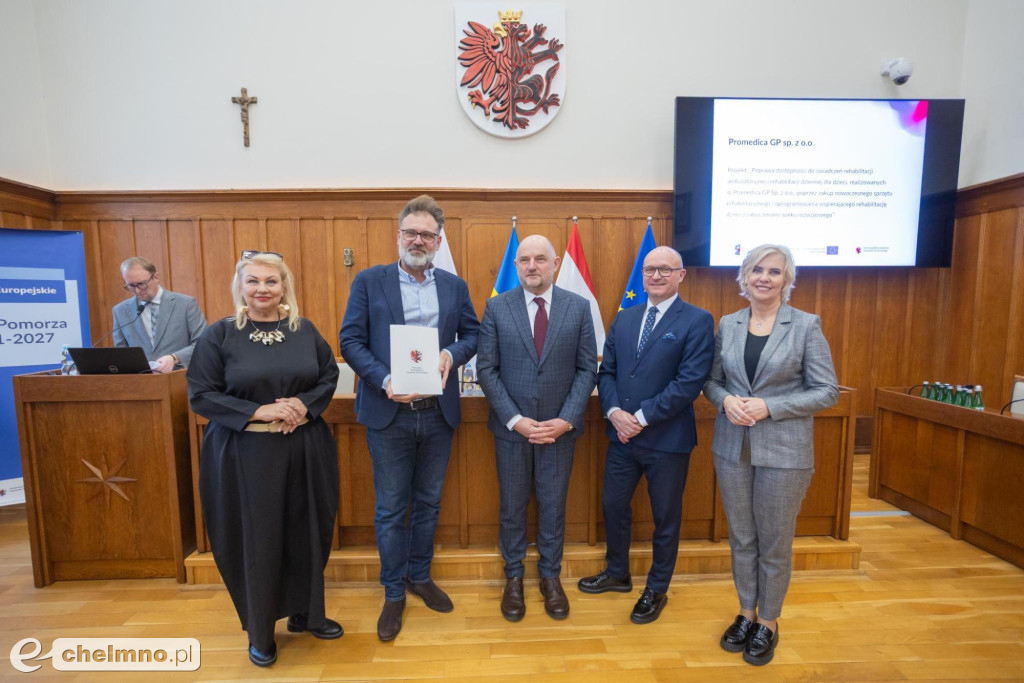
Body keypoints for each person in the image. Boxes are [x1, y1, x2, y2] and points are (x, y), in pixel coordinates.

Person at [187, 251, 341, 667]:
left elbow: (328, 376)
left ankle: (307, 613)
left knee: (308, 531)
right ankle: (260, 631)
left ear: (284, 286)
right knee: (259, 540)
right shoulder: (220, 335)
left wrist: (301, 405)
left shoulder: (304, 330)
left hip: (305, 446)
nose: (262, 289)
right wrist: (260, 410)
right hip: (245, 455)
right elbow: (201, 393)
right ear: (240, 287)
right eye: (253, 281)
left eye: (271, 281)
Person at [339, 194, 479, 642]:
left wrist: (450, 353)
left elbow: (473, 334)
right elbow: (350, 341)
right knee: (390, 508)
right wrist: (384, 380)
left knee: (430, 503)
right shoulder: (369, 281)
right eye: (411, 233)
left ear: (438, 241)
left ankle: (419, 576)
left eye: (427, 235)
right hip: (390, 414)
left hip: (437, 413)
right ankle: (393, 590)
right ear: (398, 235)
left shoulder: (454, 285)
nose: (418, 240)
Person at [703, 244, 838, 666]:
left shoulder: (806, 325)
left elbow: (827, 391)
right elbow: (711, 381)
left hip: (784, 451)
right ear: (744, 276)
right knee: (742, 537)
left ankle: (769, 621)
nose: (764, 277)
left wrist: (771, 406)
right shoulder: (728, 323)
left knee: (774, 542)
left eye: (774, 272)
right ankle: (746, 612)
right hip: (732, 448)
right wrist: (725, 400)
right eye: (757, 270)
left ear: (786, 279)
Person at [578, 246, 714, 624]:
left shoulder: (697, 320)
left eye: (665, 270)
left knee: (665, 517)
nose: (656, 276)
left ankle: (656, 588)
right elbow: (607, 372)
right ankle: (617, 573)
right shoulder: (625, 318)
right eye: (650, 269)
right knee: (613, 506)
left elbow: (689, 383)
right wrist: (614, 413)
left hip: (667, 441)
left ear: (681, 275)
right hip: (622, 438)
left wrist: (638, 418)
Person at [477, 235, 597, 622]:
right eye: (525, 260)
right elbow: (486, 369)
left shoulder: (578, 307)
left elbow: (587, 369)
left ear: (555, 263)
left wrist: (566, 419)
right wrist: (516, 420)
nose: (532, 266)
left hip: (559, 430)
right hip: (512, 430)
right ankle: (513, 577)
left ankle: (550, 577)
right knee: (512, 507)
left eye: (540, 259)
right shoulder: (497, 307)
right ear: (516, 266)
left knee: (553, 505)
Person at [112, 256, 207, 373]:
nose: (137, 291)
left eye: (141, 284)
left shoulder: (185, 304)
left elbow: (203, 344)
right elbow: (121, 352)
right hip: (142, 380)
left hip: (180, 376)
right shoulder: (120, 311)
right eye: (131, 286)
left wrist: (174, 358)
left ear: (156, 277)